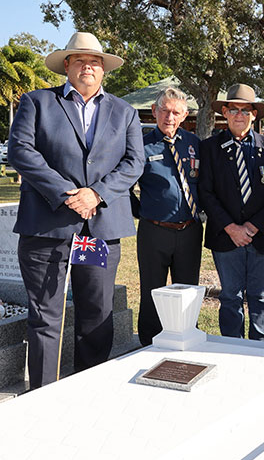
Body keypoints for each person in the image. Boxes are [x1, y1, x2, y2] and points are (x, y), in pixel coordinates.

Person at [7, 32, 144, 388]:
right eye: (79, 60)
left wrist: (96, 194)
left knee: (96, 316)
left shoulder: (124, 112)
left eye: (95, 61)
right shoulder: (37, 102)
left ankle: (88, 393)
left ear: (104, 70)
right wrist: (68, 194)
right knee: (45, 319)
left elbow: (134, 163)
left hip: (97, 234)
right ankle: (43, 396)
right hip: (46, 231)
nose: (88, 66)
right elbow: (22, 151)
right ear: (66, 65)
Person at [198, 84, 264, 340]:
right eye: (234, 110)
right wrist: (232, 228)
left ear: (254, 114)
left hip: (262, 236)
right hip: (225, 237)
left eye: (246, 110)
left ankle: (261, 348)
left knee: (261, 296)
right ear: (224, 113)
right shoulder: (210, 149)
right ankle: (230, 346)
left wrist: (252, 227)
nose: (240, 115)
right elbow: (206, 193)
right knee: (230, 296)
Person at [131, 87, 202, 346]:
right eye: (164, 111)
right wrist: (143, 211)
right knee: (152, 290)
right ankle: (148, 344)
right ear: (154, 111)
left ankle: (186, 339)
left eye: (176, 112)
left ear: (184, 116)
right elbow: (124, 186)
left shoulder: (194, 144)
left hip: (189, 229)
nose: (169, 117)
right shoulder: (140, 145)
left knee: (187, 292)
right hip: (154, 231)